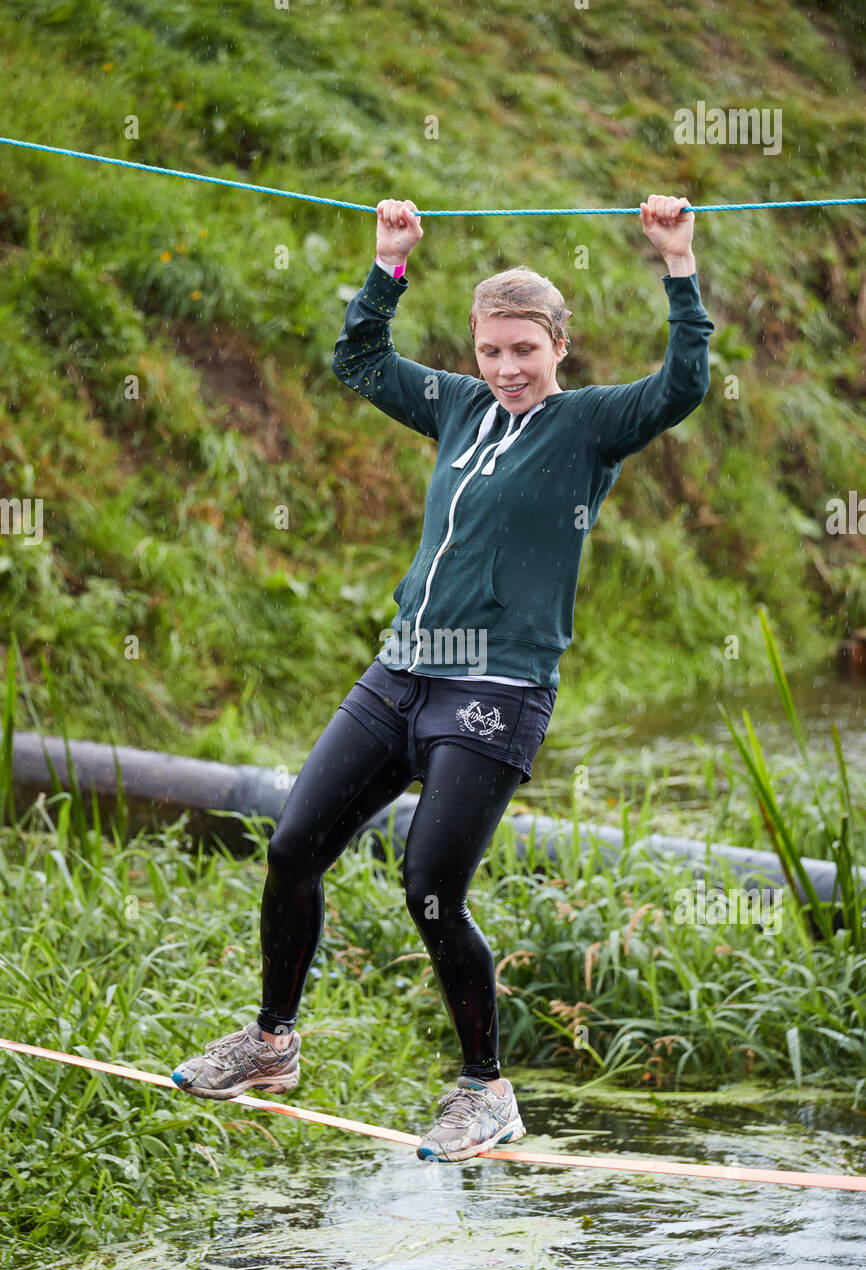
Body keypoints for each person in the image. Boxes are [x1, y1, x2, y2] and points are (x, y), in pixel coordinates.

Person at [173, 193, 714, 1162]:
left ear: (559, 346)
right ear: (474, 350)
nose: (506, 369)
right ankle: (269, 1042)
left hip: (496, 688)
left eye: (525, 350)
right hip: (401, 673)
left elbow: (680, 384)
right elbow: (361, 362)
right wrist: (388, 265)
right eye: (491, 351)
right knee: (293, 844)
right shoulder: (457, 405)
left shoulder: (587, 426)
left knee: (428, 885)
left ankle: (484, 1090)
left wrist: (675, 264)